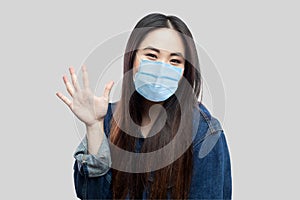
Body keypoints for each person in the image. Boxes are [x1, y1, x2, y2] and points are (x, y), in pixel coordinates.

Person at [56, 13, 232, 200]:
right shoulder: (107, 119)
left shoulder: (204, 133)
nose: (161, 68)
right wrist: (94, 128)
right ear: (132, 58)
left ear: (186, 71)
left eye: (175, 61)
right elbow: (92, 196)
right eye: (151, 56)